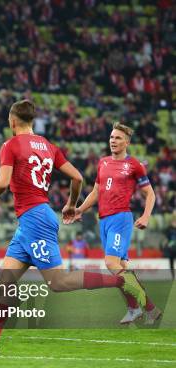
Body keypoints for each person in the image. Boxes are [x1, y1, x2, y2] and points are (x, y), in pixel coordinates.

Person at [0, 100, 149, 356]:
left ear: (12, 121)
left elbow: (3, 182)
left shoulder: (11, 145)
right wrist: (71, 204)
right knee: (5, 281)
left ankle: (120, 281)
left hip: (35, 218)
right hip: (31, 220)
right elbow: (78, 177)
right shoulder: (48, 146)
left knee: (58, 283)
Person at [69, 122, 161, 324]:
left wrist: (146, 216)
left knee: (111, 263)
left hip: (121, 218)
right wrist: (80, 210)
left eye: (118, 138)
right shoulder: (102, 163)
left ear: (127, 142)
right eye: (111, 137)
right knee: (123, 266)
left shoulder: (135, 165)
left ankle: (148, 307)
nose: (113, 140)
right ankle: (138, 309)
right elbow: (95, 192)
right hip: (104, 220)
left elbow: (150, 194)